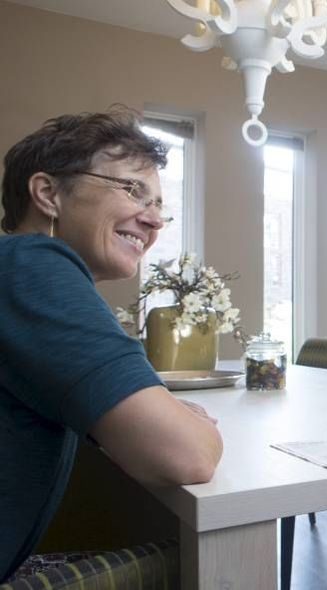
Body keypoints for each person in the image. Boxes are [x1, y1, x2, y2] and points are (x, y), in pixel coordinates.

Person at [0, 109, 224, 582]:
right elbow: (189, 454)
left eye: (159, 204)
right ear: (48, 194)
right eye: (132, 189)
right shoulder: (33, 266)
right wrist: (183, 421)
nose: (155, 220)